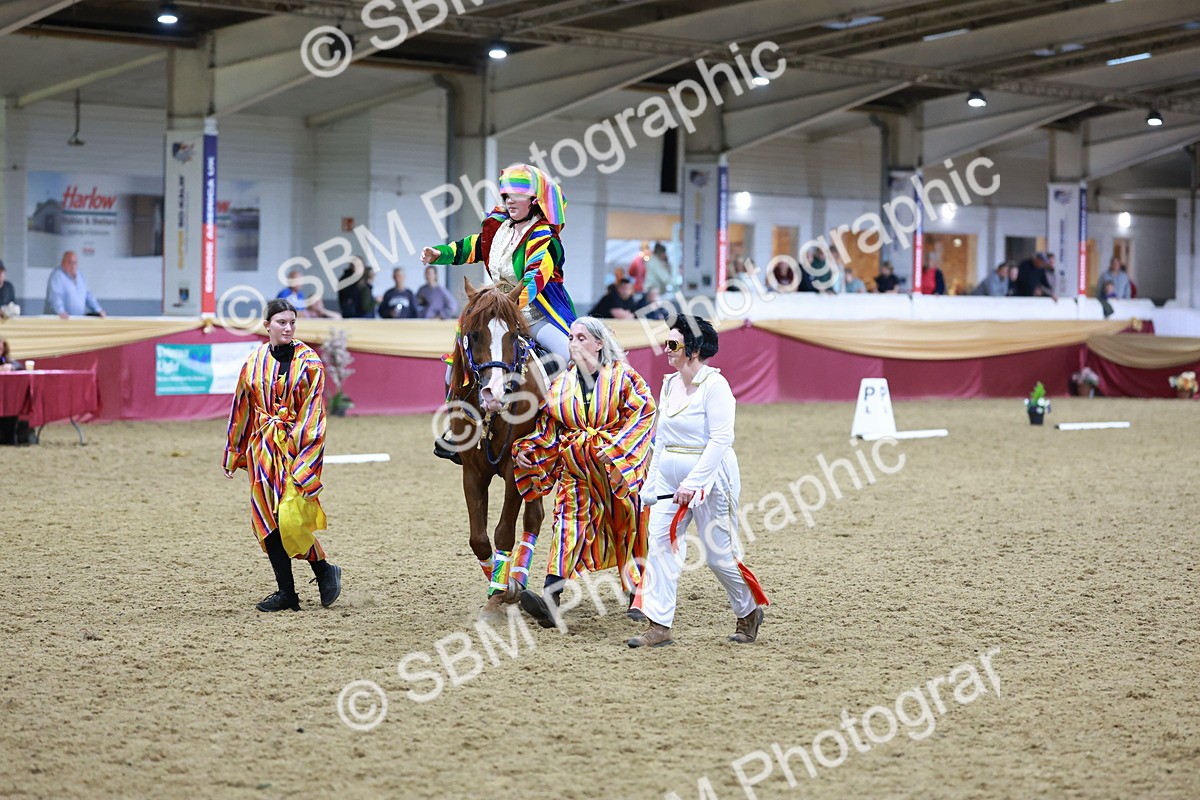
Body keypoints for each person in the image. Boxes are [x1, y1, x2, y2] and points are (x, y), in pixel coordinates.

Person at [629, 316, 767, 648]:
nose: (667, 349)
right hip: (669, 480)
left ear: (693, 350)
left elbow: (721, 440)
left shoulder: (715, 387)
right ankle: (658, 625)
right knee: (660, 545)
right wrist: (651, 482)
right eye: (667, 342)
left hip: (712, 479)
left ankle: (748, 609)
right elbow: (661, 440)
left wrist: (694, 482)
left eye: (673, 344)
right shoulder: (668, 384)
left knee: (719, 554)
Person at [512, 317, 656, 628]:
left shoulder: (625, 379)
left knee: (629, 528)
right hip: (576, 472)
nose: (573, 343)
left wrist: (617, 448)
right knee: (566, 527)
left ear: (599, 343)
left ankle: (638, 594)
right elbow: (549, 430)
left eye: (581, 338)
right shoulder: (560, 385)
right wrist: (528, 452)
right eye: (571, 338)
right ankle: (551, 601)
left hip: (617, 472)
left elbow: (644, 413)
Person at [223, 298, 342, 612]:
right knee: (268, 520)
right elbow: (242, 408)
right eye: (281, 323)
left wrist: (304, 459)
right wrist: (234, 451)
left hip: (296, 450)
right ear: (267, 326)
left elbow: (315, 414)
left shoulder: (310, 363)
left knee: (291, 517)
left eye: (292, 322)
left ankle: (324, 568)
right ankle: (287, 593)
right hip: (262, 450)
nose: (288, 328)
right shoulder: (253, 362)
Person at [421, 163, 576, 364]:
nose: (510, 201)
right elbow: (473, 246)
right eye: (507, 196)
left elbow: (533, 281)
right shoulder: (500, 228)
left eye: (518, 196)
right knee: (460, 356)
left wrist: (500, 309)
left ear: (535, 201)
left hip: (536, 316)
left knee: (572, 357)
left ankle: (585, 392)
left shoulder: (546, 239)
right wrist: (439, 253)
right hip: (500, 311)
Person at [44, 251, 105, 318]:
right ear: (62, 263)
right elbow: (55, 296)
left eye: (75, 263)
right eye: (70, 263)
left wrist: (98, 310)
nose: (73, 266)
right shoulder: (57, 276)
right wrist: (60, 311)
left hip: (77, 319)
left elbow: (88, 295)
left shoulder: (80, 275)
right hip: (60, 321)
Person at [276, 269, 340, 319]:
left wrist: (322, 311)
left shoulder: (300, 294)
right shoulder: (284, 294)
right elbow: (284, 314)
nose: (300, 282)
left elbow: (338, 317)